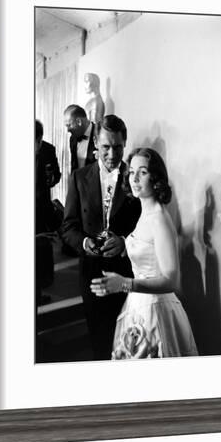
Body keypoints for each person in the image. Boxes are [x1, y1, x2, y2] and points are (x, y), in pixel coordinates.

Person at [90, 148, 198, 359]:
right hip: (138, 304)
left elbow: (171, 280)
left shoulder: (159, 219)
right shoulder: (144, 212)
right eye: (131, 172)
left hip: (156, 309)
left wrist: (125, 283)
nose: (135, 178)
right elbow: (146, 247)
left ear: (155, 177)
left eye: (143, 172)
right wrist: (122, 244)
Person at [62, 115, 141, 360]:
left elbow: (146, 227)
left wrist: (125, 242)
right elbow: (67, 227)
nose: (112, 154)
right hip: (91, 273)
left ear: (124, 144)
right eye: (106, 147)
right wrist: (85, 243)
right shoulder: (78, 177)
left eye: (118, 147)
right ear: (96, 143)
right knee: (99, 339)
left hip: (125, 272)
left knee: (127, 341)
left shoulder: (136, 179)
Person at [35, 120, 61, 233]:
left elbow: (57, 175)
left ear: (40, 139)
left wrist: (52, 178)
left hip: (43, 208)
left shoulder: (48, 150)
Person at [63, 104, 96, 173]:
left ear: (79, 122)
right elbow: (74, 166)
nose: (68, 130)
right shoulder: (72, 139)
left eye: (69, 125)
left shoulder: (100, 134)